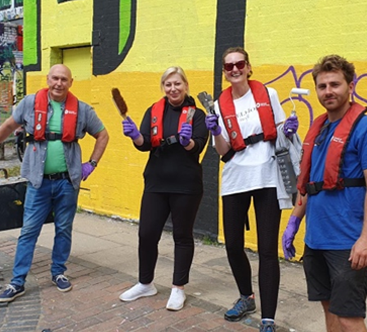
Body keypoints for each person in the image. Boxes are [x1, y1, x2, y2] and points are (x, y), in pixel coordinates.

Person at [205, 47, 299, 332]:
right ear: (224, 71)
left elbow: (281, 131)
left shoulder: (268, 95)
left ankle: (268, 318)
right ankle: (246, 296)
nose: (234, 69)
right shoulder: (219, 106)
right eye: (228, 66)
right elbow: (222, 151)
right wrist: (215, 130)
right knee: (233, 244)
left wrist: (290, 128)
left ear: (248, 67)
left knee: (267, 250)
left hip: (267, 175)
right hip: (235, 177)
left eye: (239, 64)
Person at [0, 64, 109, 303]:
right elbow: (8, 126)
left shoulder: (81, 109)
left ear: (71, 82)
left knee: (63, 228)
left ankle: (58, 272)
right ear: (48, 79)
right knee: (29, 231)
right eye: (55, 78)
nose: (58, 83)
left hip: (67, 183)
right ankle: (17, 281)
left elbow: (103, 135)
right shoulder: (29, 103)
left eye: (64, 79)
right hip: (38, 182)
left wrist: (92, 163)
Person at [282, 54, 367, 332]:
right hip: (317, 238)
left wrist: (365, 238)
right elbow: (311, 183)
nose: (328, 91)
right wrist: (293, 222)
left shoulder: (362, 127)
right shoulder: (319, 128)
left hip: (346, 241)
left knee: (348, 316)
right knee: (328, 308)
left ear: (350, 86)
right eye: (322, 86)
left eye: (335, 84)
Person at [119, 66, 208, 311]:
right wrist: (135, 136)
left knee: (182, 235)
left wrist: (187, 141)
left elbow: (199, 146)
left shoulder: (197, 116)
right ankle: (145, 283)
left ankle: (178, 288)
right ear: (163, 88)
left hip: (186, 185)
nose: (173, 89)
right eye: (168, 84)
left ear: (185, 85)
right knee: (147, 234)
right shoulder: (154, 110)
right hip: (156, 182)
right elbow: (145, 143)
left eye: (177, 83)